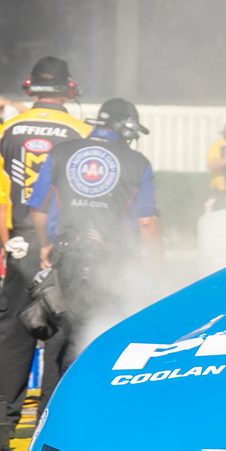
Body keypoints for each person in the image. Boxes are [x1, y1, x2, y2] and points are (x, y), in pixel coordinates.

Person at [0, 56, 91, 432]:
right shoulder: (81, 133)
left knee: (14, 329)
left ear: (30, 87)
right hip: (60, 244)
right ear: (69, 88)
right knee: (60, 329)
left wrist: (7, 241)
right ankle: (48, 418)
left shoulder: (6, 130)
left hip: (20, 240)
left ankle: (5, 415)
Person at [28, 98, 161, 383]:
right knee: (104, 334)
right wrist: (155, 265)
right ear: (125, 129)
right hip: (112, 262)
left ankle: (48, 413)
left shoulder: (60, 152)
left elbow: (38, 208)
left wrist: (47, 243)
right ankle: (88, 408)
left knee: (63, 336)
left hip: (66, 256)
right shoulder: (137, 162)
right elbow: (146, 222)